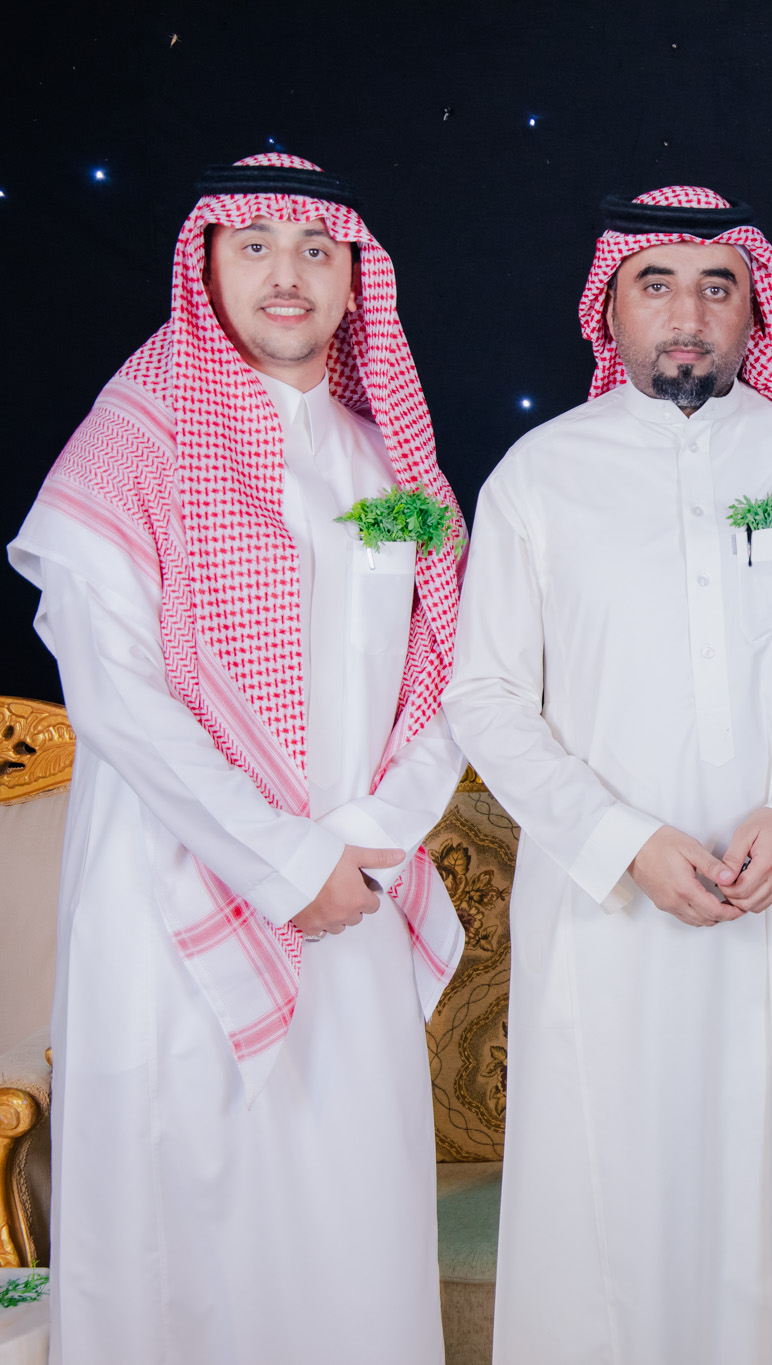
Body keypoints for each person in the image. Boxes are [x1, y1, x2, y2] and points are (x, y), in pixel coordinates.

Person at [444, 185, 772, 1364]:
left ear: (754, 310)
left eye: (718, 287)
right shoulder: (539, 474)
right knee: (609, 1200)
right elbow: (485, 696)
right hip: (606, 912)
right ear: (607, 308)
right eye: (654, 284)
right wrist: (624, 843)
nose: (688, 314)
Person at [7, 153, 466, 1364]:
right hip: (172, 898)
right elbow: (114, 693)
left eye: (316, 249)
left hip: (355, 892)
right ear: (204, 266)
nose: (286, 274)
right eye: (253, 246)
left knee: (348, 1230)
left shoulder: (390, 467)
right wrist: (282, 863)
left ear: (355, 282)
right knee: (186, 1236)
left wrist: (367, 840)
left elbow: (457, 668)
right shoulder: (131, 446)